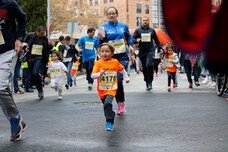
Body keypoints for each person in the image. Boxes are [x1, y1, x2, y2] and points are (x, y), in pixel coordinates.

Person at [97, 6, 134, 115]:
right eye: (109, 14)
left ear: (117, 14)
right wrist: (100, 39)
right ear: (107, 16)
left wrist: (130, 45)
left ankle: (121, 103)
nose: (112, 15)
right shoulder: (103, 27)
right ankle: (107, 101)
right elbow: (97, 44)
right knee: (111, 81)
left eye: (113, 13)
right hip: (109, 58)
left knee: (118, 78)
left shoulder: (123, 26)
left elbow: (129, 37)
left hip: (122, 56)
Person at [0, 0, 27, 141]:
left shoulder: (8, 4)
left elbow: (22, 17)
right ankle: (16, 120)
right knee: (2, 88)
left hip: (8, 51)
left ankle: (15, 119)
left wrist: (19, 38)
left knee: (0, 87)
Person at [91, 43, 130, 131]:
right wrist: (99, 74)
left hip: (112, 88)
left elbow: (122, 70)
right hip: (102, 89)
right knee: (106, 105)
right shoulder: (98, 63)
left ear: (112, 53)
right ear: (99, 53)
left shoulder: (115, 62)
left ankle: (109, 122)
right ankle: (111, 113)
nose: (104, 53)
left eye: (107, 51)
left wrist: (126, 77)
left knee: (108, 103)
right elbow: (92, 76)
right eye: (102, 51)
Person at [132, 16, 163, 91]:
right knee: (145, 68)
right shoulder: (138, 30)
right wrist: (136, 40)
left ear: (148, 21)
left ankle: (150, 82)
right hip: (142, 51)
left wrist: (160, 48)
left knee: (149, 65)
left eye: (146, 20)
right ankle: (147, 82)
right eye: (144, 20)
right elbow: (132, 39)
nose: (145, 21)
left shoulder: (152, 30)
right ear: (142, 21)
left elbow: (156, 40)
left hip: (150, 50)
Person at [23, 26, 51, 100]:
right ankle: (36, 85)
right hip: (30, 58)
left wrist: (50, 45)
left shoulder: (44, 38)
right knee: (32, 74)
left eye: (43, 34)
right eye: (41, 34)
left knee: (35, 72)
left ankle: (40, 90)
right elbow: (24, 43)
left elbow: (47, 48)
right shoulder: (30, 35)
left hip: (39, 58)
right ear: (37, 32)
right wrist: (25, 48)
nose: (42, 35)